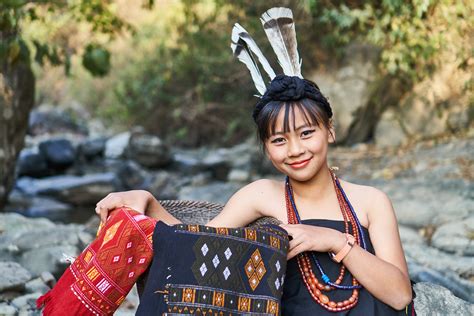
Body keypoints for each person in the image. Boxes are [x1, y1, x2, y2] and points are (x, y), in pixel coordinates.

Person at [45, 7, 414, 315]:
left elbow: (400, 295)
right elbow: (195, 248)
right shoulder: (262, 196)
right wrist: (148, 203)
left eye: (307, 133)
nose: (296, 150)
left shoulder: (369, 202)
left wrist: (333, 240)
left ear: (329, 132)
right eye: (279, 140)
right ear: (267, 148)